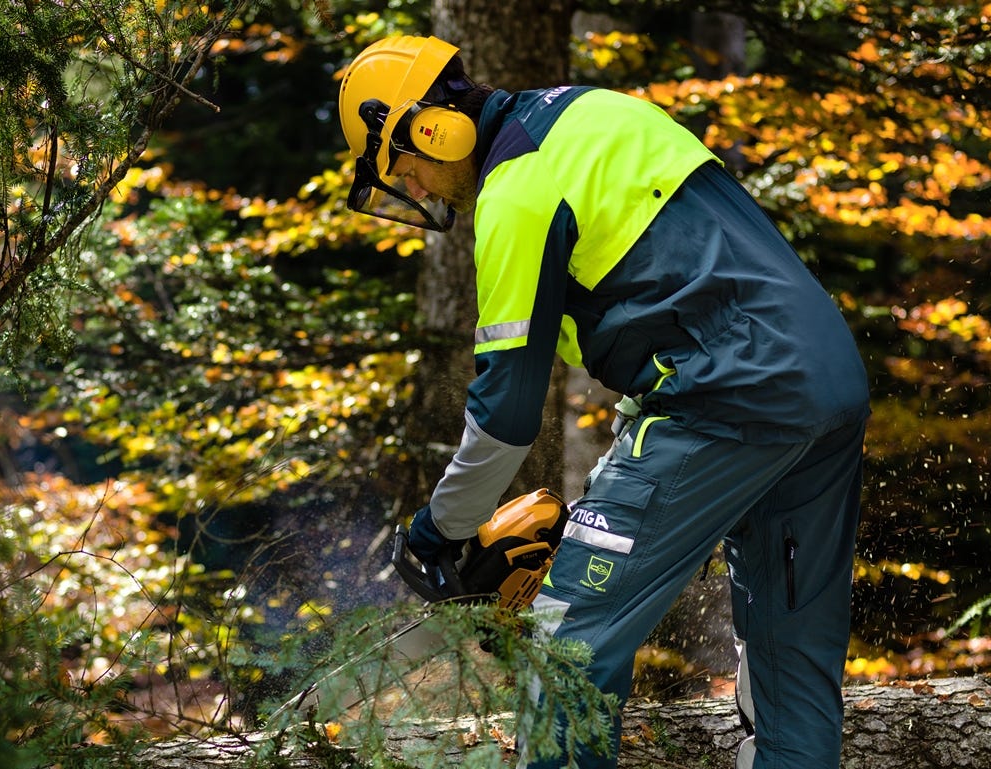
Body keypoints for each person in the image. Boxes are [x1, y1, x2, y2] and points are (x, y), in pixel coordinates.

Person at [336, 34, 870, 769]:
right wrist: (614, 484)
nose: (420, 188)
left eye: (409, 167)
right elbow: (675, 288)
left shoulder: (516, 190)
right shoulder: (592, 112)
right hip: (827, 378)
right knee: (792, 644)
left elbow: (505, 415)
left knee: (565, 643)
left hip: (723, 392)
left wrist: (438, 531)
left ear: (435, 128)